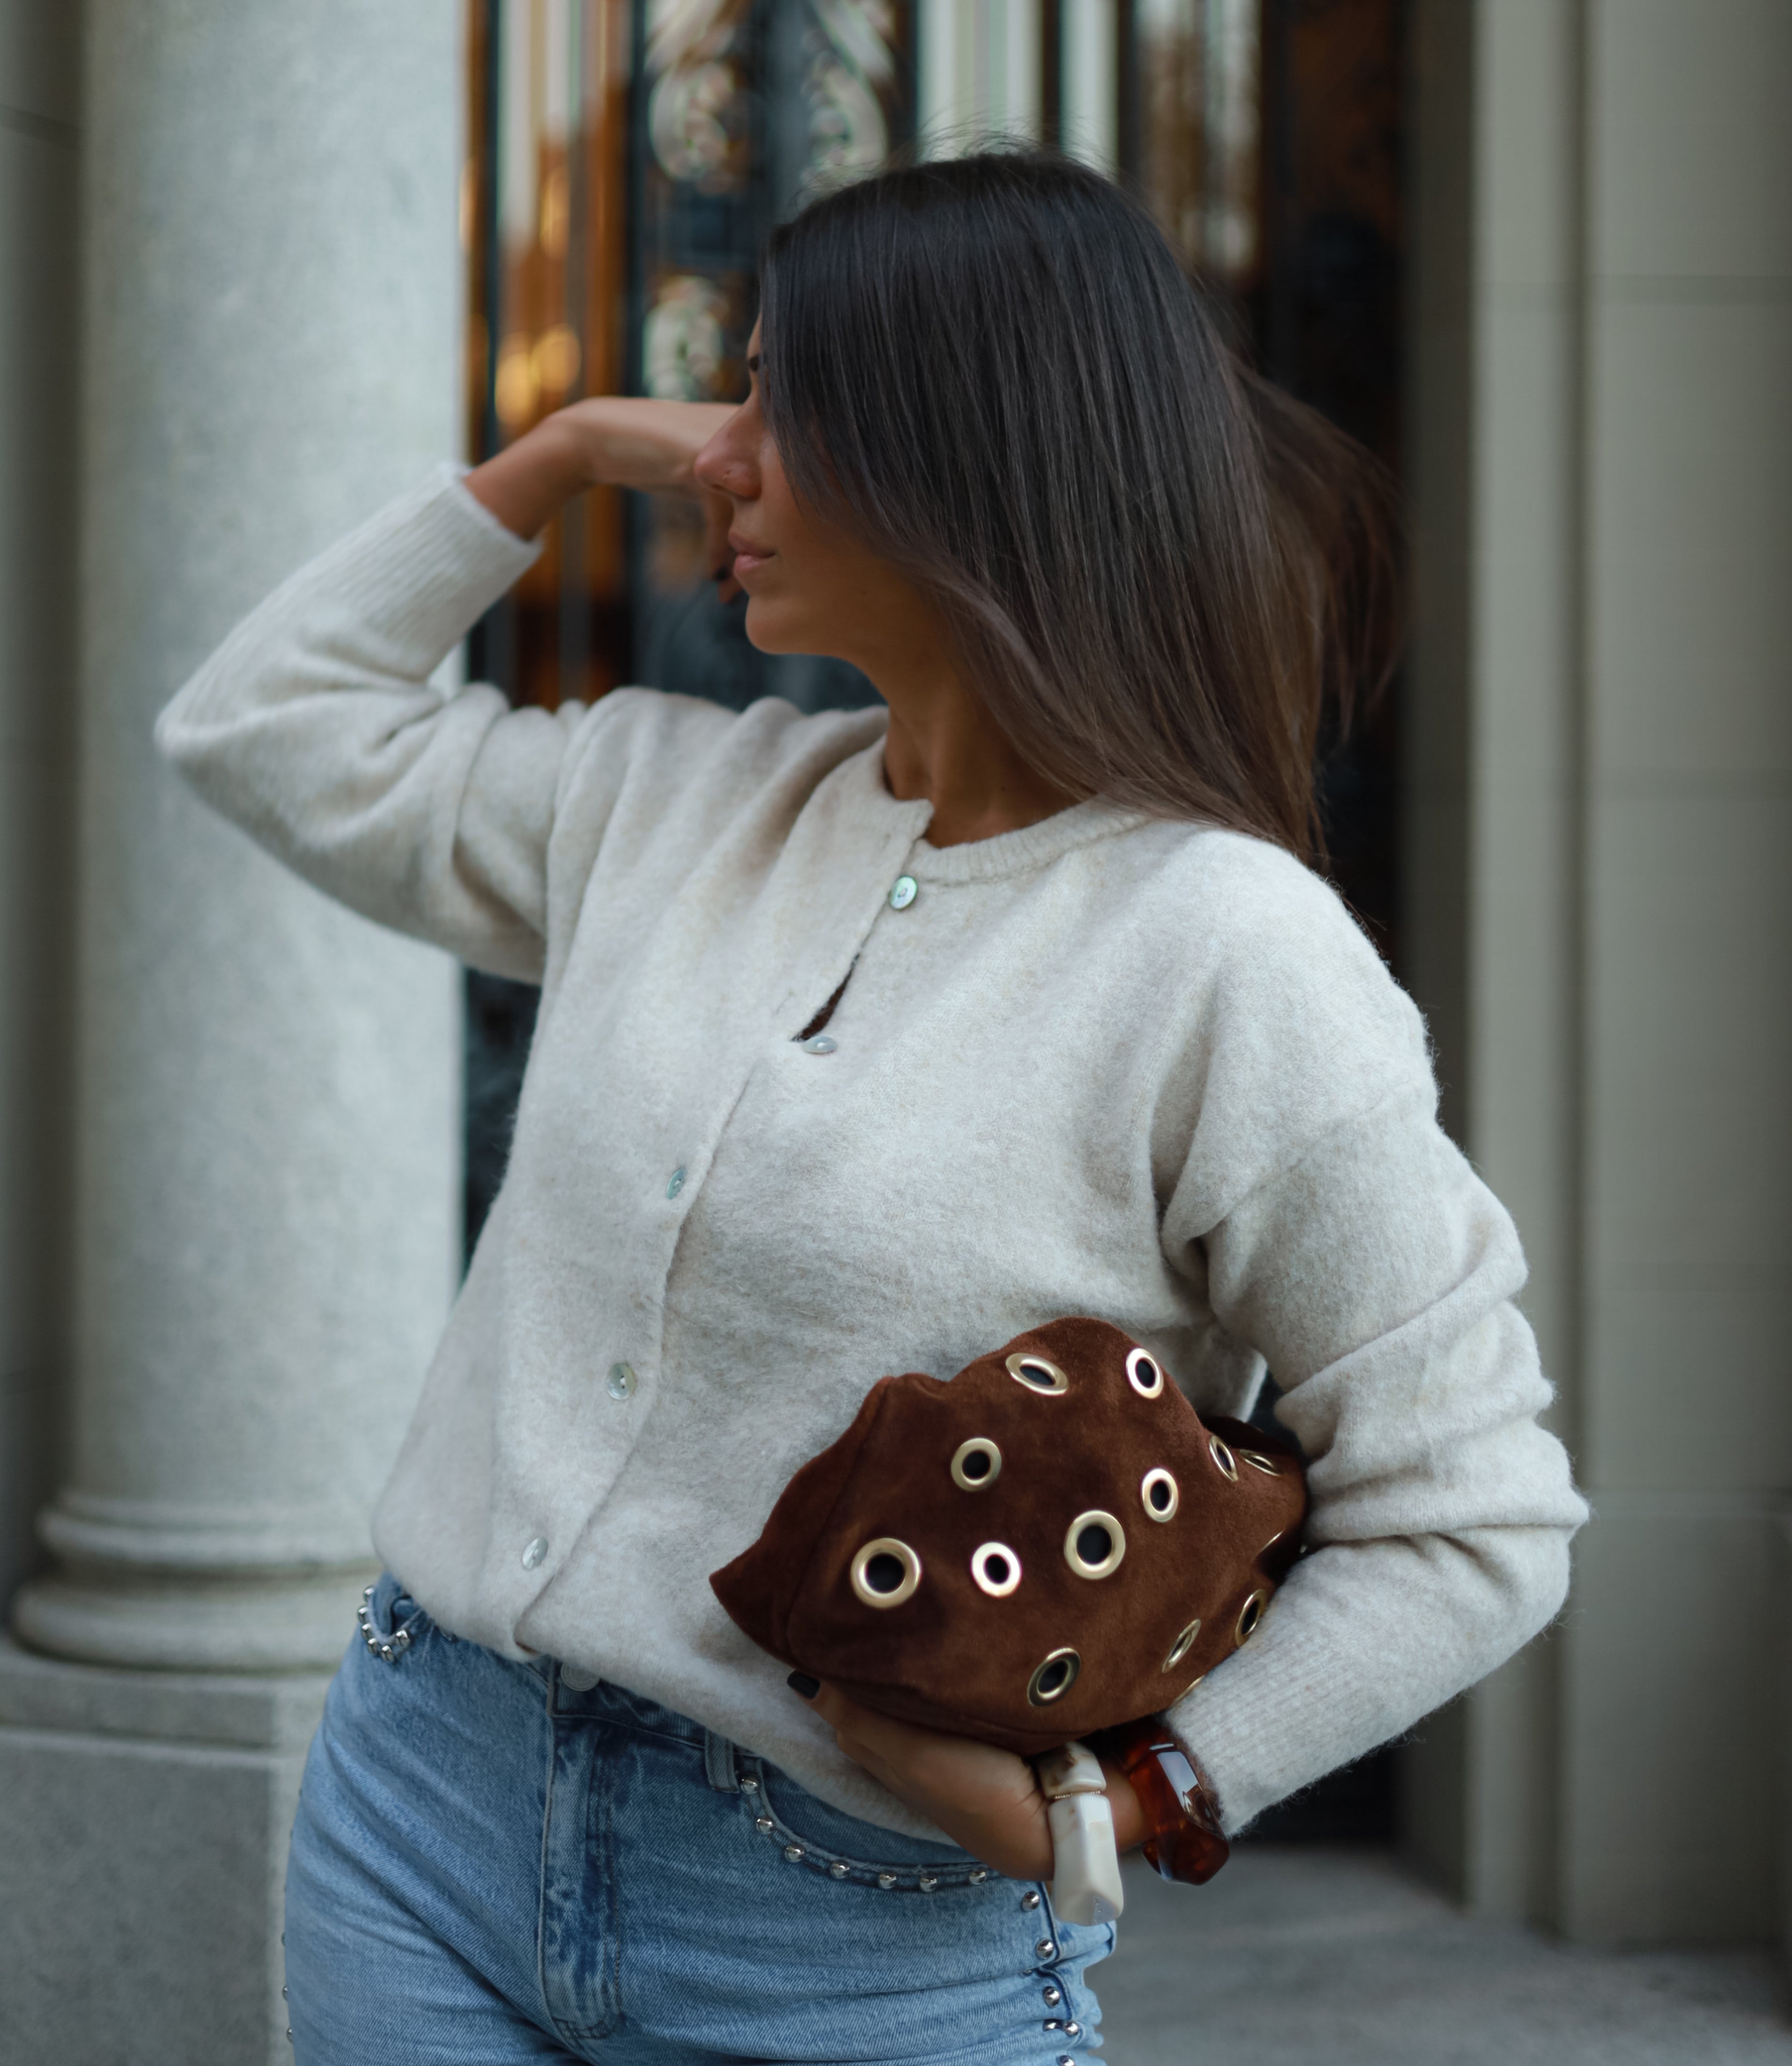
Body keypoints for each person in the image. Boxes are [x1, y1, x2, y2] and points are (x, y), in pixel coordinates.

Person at [157, 149, 1586, 2065]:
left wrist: (1136, 1799)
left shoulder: (1229, 950)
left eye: (775, 399)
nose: (720, 456)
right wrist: (558, 449)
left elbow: (1475, 1513)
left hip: (850, 1931)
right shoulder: (665, 798)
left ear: (955, 449)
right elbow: (261, 728)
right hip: (430, 1815)